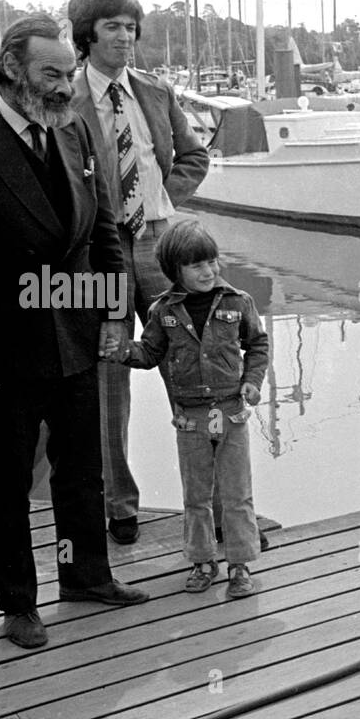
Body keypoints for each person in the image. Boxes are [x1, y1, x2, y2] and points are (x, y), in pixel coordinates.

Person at [0, 15, 149, 651]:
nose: (64, 85)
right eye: (52, 73)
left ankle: (83, 573)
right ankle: (18, 603)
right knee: (12, 482)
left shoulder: (72, 128)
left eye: (69, 73)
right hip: (3, 348)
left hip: (75, 330)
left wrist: (110, 313)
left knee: (81, 470)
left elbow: (103, 228)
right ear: (13, 69)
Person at [67, 0, 209, 545]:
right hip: (94, 253)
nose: (124, 36)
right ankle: (118, 506)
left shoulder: (154, 90)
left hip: (156, 244)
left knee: (192, 372)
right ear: (87, 35)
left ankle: (212, 507)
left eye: (130, 27)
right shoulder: (65, 96)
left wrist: (163, 200)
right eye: (111, 27)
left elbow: (194, 155)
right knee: (106, 384)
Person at [105, 220, 268, 598]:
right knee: (195, 496)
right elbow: (149, 353)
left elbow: (257, 345)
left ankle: (240, 565)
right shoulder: (162, 311)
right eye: (197, 266)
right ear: (174, 271)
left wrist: (252, 381)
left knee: (237, 493)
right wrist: (122, 350)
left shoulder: (238, 302)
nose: (208, 271)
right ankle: (202, 561)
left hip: (231, 412)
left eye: (212, 261)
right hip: (190, 418)